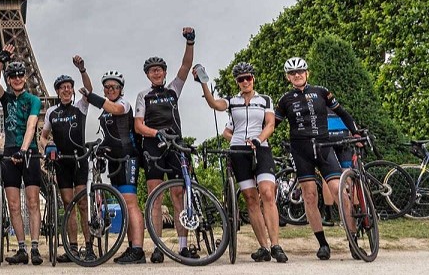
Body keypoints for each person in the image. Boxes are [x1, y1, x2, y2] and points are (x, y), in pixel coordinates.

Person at [194, 62, 287, 263]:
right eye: (241, 79)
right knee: (250, 198)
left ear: (253, 78)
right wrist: (203, 83)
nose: (245, 82)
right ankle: (264, 247)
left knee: (267, 192)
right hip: (238, 150)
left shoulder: (265, 100)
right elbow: (214, 104)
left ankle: (276, 245)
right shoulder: (232, 101)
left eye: (248, 78)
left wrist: (258, 139)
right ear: (237, 82)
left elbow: (270, 124)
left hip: (260, 148)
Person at [274, 57, 359, 260]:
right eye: (293, 73)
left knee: (339, 190)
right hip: (300, 150)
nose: (297, 75)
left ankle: (353, 239)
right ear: (288, 77)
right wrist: (258, 139)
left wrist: (355, 132)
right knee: (310, 195)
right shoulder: (285, 100)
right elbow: (272, 125)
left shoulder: (321, 92)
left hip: (324, 147)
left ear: (307, 73)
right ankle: (322, 244)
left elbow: (342, 113)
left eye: (300, 71)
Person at [134, 27, 195, 263]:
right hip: (153, 147)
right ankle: (158, 247)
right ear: (147, 75)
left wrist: (190, 42)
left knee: (178, 194)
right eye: (152, 70)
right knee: (155, 197)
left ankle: (182, 246)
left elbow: (186, 66)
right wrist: (156, 133)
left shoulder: (173, 89)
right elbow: (138, 125)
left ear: (164, 72)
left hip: (175, 145)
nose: (156, 73)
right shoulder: (143, 95)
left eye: (159, 69)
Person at [80, 67, 145, 264]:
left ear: (121, 89)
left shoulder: (123, 104)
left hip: (127, 158)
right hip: (114, 161)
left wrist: (91, 97)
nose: (111, 90)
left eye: (114, 87)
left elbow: (116, 110)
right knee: (124, 205)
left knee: (130, 203)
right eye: (107, 87)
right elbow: (110, 136)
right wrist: (100, 148)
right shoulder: (105, 110)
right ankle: (131, 247)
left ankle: (138, 250)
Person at [0, 45, 44, 265]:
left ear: (25, 78)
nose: (18, 78)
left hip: (28, 151)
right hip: (9, 151)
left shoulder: (33, 100)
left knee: (33, 202)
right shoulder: (6, 99)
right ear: (9, 80)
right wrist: (0, 62)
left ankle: (35, 247)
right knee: (13, 204)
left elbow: (31, 126)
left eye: (21, 75)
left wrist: (24, 149)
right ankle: (21, 248)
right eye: (13, 76)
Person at [38, 57, 94, 262]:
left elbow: (89, 90)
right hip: (62, 162)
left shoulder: (80, 106)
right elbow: (43, 137)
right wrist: (47, 146)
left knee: (83, 204)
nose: (66, 90)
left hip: (79, 160)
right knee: (68, 204)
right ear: (57, 91)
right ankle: (73, 248)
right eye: (62, 87)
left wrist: (82, 70)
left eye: (69, 87)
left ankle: (89, 246)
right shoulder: (52, 112)